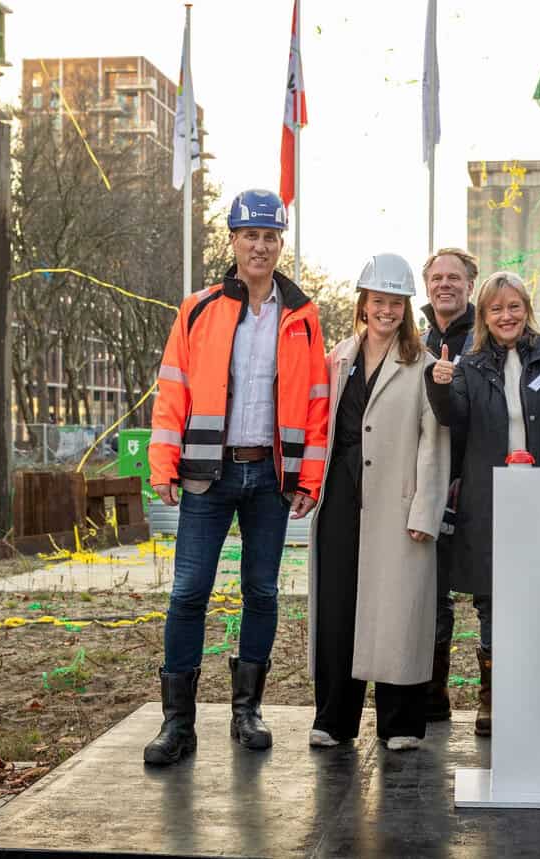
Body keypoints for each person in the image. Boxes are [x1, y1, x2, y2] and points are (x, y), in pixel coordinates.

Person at [143, 188, 329, 763]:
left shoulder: (302, 313)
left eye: (271, 236)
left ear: (280, 244)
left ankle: (247, 711)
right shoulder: (197, 308)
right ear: (232, 240)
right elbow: (172, 387)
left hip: (270, 479)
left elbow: (318, 401)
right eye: (250, 235)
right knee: (189, 592)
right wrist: (163, 462)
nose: (261, 246)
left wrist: (309, 480)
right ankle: (178, 723)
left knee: (263, 592)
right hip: (207, 474)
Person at [426, 271, 540, 768]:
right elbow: (453, 419)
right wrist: (440, 387)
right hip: (496, 510)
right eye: (495, 309)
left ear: (526, 309)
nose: (506, 316)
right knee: (504, 622)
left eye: (514, 306)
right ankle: (513, 732)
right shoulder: (468, 364)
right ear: (484, 317)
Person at [306, 253, 449, 751]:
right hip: (341, 497)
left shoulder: (424, 366)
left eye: (395, 302)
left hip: (398, 500)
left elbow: (435, 444)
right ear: (362, 304)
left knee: (398, 611)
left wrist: (425, 512)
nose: (385, 310)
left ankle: (401, 722)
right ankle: (334, 719)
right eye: (377, 301)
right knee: (340, 607)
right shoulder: (337, 358)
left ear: (406, 308)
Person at [418, 247, 491, 733]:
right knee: (432, 591)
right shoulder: (416, 339)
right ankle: (433, 692)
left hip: (481, 480)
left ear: (470, 285)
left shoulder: (488, 339)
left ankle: (492, 698)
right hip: (432, 482)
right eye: (436, 277)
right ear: (427, 287)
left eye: (454, 278)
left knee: (489, 591)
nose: (445, 285)